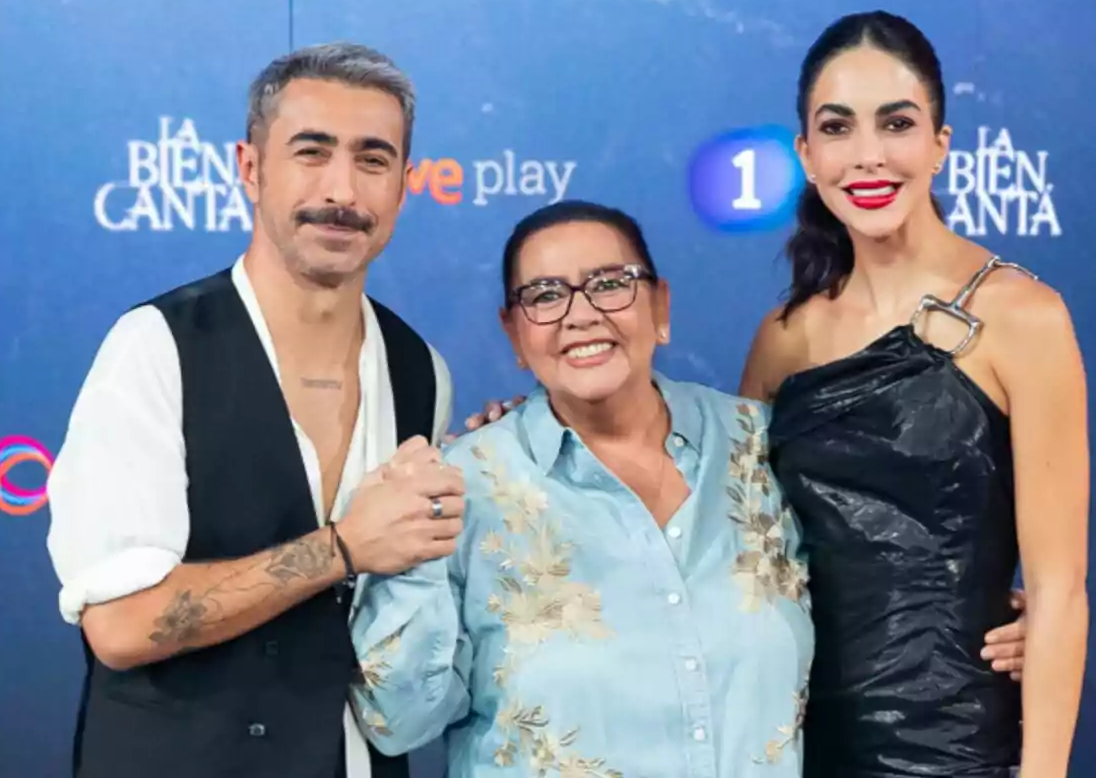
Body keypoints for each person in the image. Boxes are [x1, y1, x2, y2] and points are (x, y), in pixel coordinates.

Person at [45, 42, 464, 778]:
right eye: (312, 151)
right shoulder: (155, 347)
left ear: (403, 184)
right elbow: (121, 623)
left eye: (373, 159)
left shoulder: (420, 369)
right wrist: (339, 548)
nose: (342, 189)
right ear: (250, 167)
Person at [347, 200, 814, 776]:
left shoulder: (766, 451)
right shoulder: (461, 489)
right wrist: (416, 542)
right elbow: (397, 722)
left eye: (610, 284)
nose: (581, 314)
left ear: (660, 306)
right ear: (514, 334)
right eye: (545, 295)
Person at [740, 12, 1089, 777]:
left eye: (896, 123)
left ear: (939, 143)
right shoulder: (783, 337)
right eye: (838, 128)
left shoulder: (1024, 319)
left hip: (958, 749)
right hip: (795, 747)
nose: (868, 156)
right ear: (806, 152)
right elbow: (737, 552)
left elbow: (1060, 591)